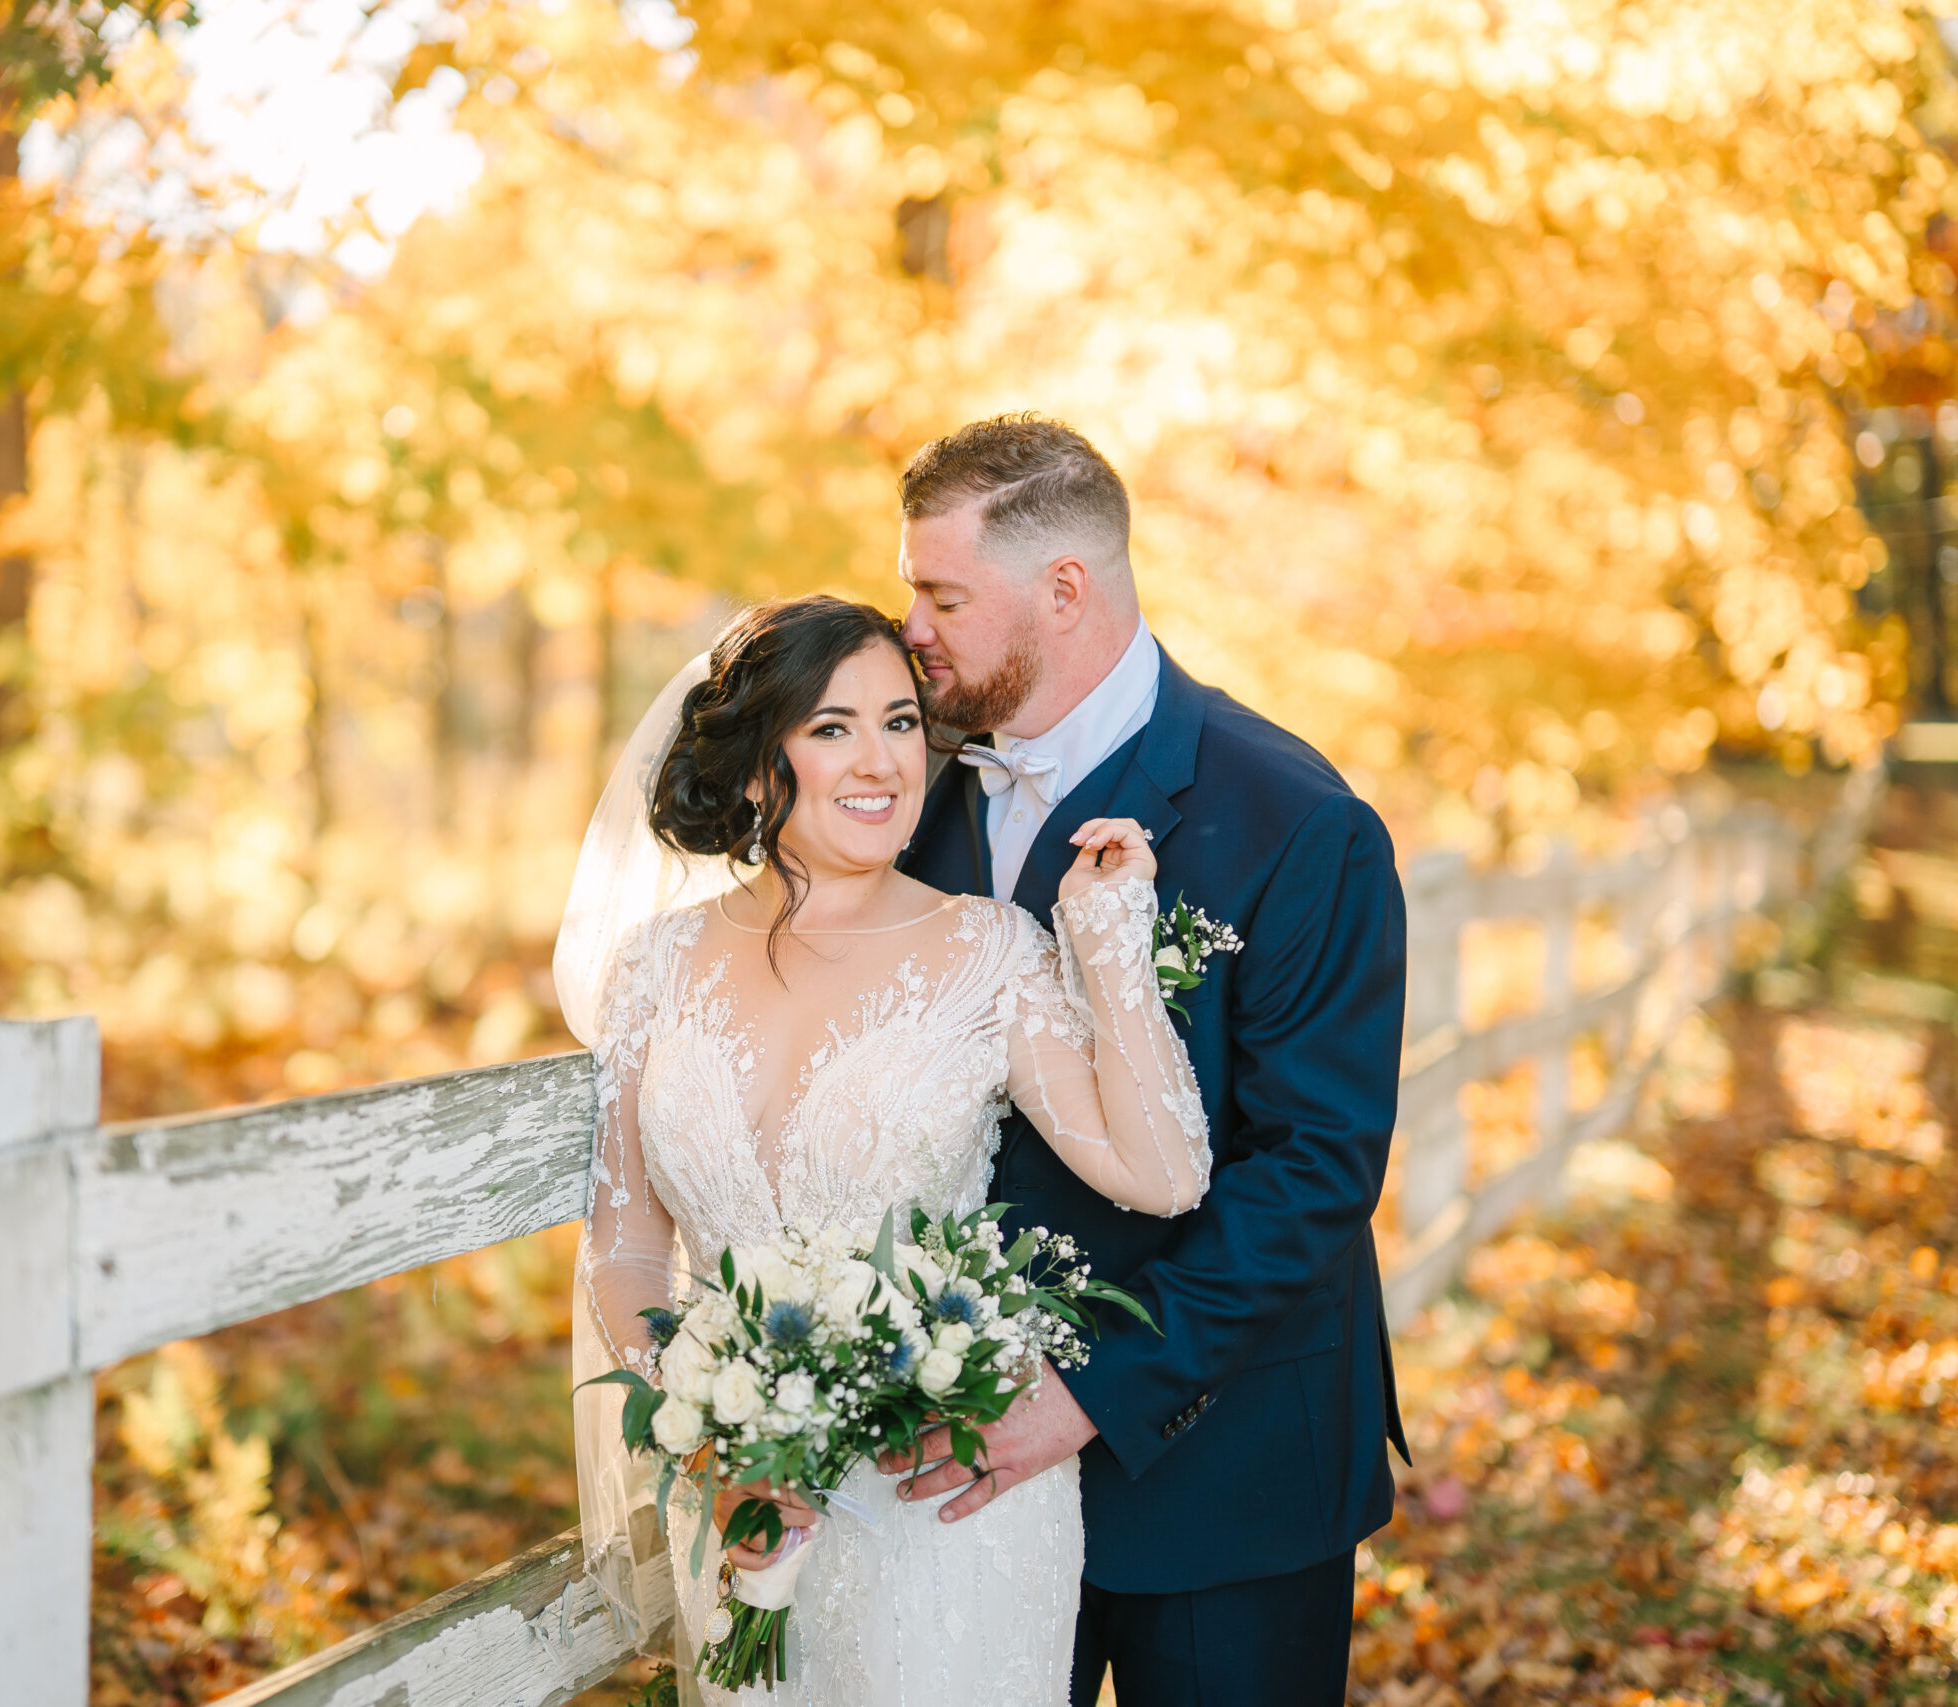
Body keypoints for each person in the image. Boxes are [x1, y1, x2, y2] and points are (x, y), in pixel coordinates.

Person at [556, 591, 1212, 1706]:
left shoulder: (986, 952)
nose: (882, 761)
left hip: (942, 1505)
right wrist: (711, 1442)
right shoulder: (654, 967)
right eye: (832, 727)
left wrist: (1110, 949)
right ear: (761, 767)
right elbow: (624, 1246)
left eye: (901, 722)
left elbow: (1163, 1173)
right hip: (742, 1509)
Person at [885, 414, 1410, 1707]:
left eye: (943, 594)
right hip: (954, 1471)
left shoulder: (1298, 821)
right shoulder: (895, 796)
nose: (912, 628)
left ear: (1065, 588)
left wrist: (1093, 1390)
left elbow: (1314, 1172)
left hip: (1226, 1473)